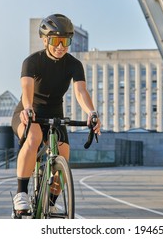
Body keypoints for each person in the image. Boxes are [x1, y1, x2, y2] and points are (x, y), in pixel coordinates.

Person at [11, 13, 101, 214]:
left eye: (66, 41)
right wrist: (28, 109)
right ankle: (21, 194)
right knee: (34, 137)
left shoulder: (73, 64)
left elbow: (80, 91)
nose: (61, 46)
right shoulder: (32, 61)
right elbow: (27, 90)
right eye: (56, 40)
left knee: (64, 157)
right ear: (45, 40)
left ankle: (50, 201)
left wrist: (92, 112)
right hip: (29, 110)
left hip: (55, 113)